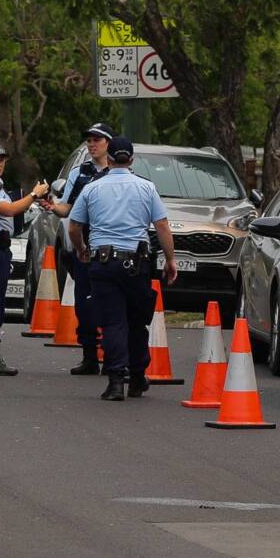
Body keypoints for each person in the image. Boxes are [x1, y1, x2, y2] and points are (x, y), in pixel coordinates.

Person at [67, 136, 178, 400]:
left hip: (102, 263)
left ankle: (116, 380)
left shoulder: (93, 188)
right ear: (131, 159)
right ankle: (137, 377)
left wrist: (81, 248)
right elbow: (161, 226)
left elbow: (74, 226)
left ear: (111, 159)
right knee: (137, 322)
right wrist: (170, 259)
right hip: (135, 263)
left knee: (113, 321)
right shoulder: (146, 187)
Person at [0, 142, 49, 376]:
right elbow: (9, 210)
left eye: (2, 159)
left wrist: (33, 199)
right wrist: (35, 194)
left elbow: (15, 206)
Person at [44, 122, 113, 375]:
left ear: (109, 143)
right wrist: (53, 207)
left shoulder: (118, 172)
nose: (92, 144)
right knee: (85, 304)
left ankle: (112, 356)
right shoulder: (80, 172)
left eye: (98, 140)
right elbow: (68, 207)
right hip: (84, 246)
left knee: (110, 302)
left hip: (110, 245)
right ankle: (89, 356)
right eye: (89, 140)